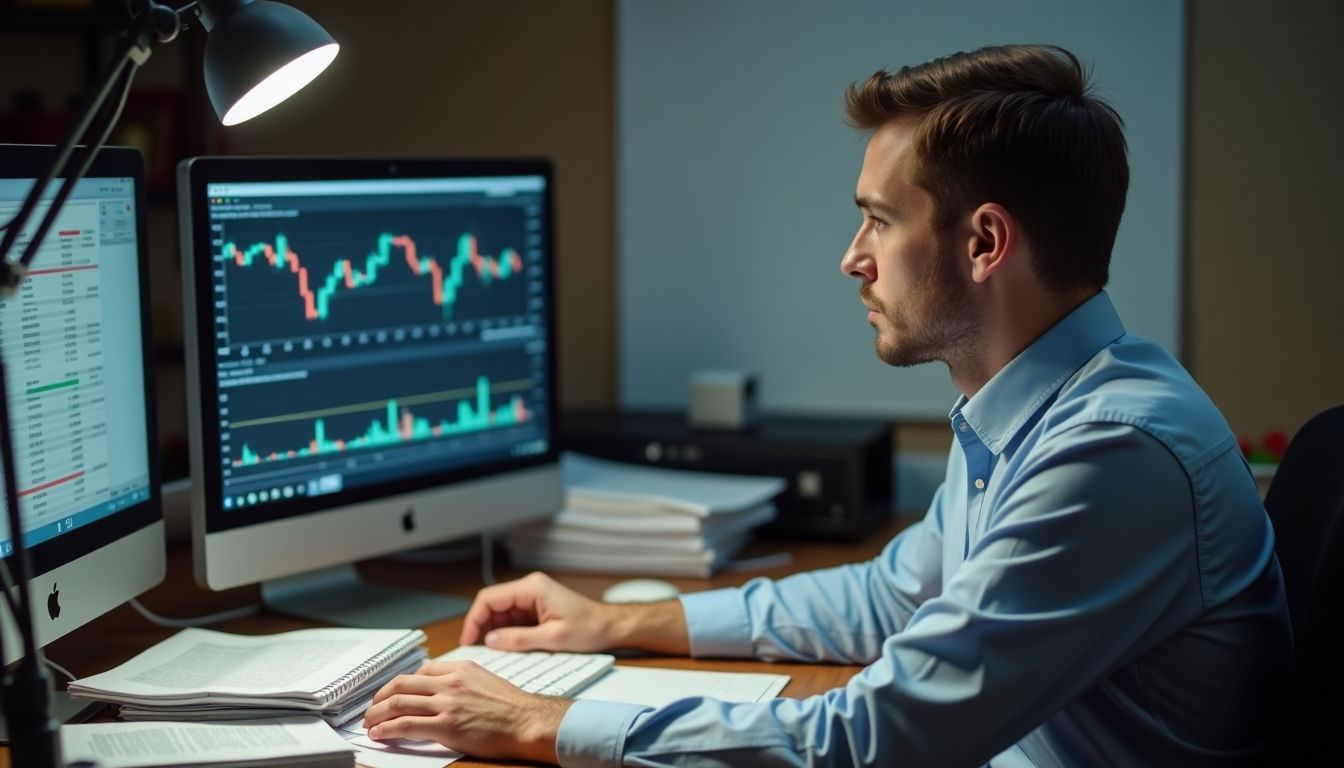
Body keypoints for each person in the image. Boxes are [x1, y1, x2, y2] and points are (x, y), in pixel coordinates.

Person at [362, 44, 1291, 766]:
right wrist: (618, 624)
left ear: (985, 242)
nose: (853, 257)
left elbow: (870, 744)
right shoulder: (1036, 414)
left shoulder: (1112, 453)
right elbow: (892, 596)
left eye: (880, 220)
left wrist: (543, 719)